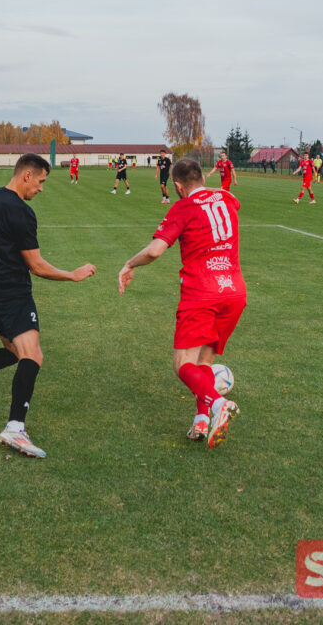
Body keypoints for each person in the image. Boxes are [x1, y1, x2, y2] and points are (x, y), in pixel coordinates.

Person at [0, 153, 96, 458]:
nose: (41, 188)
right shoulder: (21, 212)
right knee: (33, 356)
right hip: (11, 291)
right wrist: (72, 275)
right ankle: (15, 429)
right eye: (40, 182)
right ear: (27, 175)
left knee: (15, 352)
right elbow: (36, 266)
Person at [118, 158, 243, 448]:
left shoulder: (183, 207)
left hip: (202, 292)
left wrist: (129, 264)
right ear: (201, 179)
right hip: (234, 292)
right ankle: (201, 421)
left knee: (182, 365)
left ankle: (217, 404)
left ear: (177, 186)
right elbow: (230, 198)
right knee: (204, 363)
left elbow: (155, 251)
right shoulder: (226, 197)